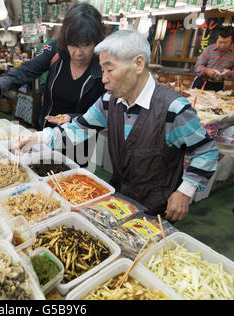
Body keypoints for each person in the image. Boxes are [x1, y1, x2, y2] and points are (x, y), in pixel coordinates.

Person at [13, 30, 219, 222]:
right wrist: (36, 137)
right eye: (102, 70)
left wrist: (185, 191)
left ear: (138, 64)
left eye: (109, 69)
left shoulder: (173, 108)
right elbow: (77, 129)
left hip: (157, 206)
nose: (103, 78)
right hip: (118, 195)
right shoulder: (108, 102)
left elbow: (206, 150)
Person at [0, 2, 106, 130]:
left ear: (96, 42)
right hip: (47, 134)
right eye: (73, 45)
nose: (78, 53)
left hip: (82, 140)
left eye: (85, 45)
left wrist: (73, 118)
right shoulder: (55, 50)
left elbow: (105, 112)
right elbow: (27, 69)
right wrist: (0, 84)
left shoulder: (104, 68)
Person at [193, 26, 234, 91]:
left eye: (226, 42)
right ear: (216, 40)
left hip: (218, 85)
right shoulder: (209, 49)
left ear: (231, 41)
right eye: (220, 42)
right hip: (201, 82)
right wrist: (207, 71)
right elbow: (197, 66)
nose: (222, 45)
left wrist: (230, 74)